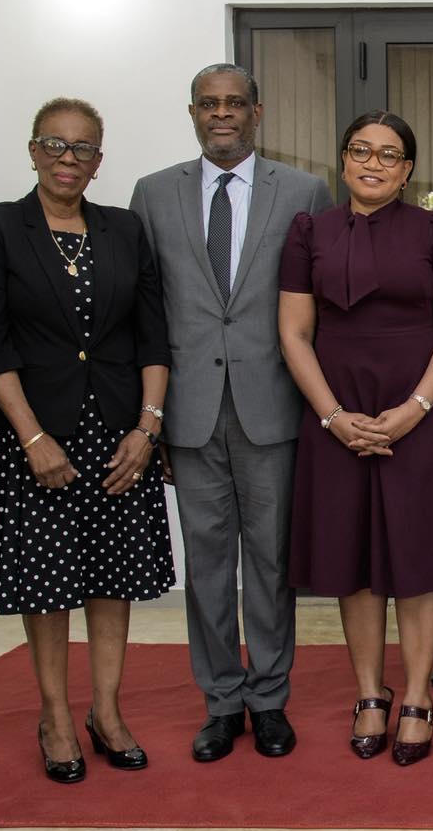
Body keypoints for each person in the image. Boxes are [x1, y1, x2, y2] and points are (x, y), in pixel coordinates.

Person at [0, 97, 175, 783]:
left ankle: (106, 712)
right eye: (54, 144)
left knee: (111, 582)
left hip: (118, 436)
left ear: (99, 162)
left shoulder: (123, 230)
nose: (67, 158)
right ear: (32, 151)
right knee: (47, 587)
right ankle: (55, 716)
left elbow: (153, 337)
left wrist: (148, 426)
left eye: (83, 148)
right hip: (36, 439)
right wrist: (32, 437)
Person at [130, 63, 331, 764]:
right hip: (188, 413)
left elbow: (317, 308)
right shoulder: (153, 195)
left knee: (272, 564)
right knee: (208, 564)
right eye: (209, 105)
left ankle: (269, 699)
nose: (223, 115)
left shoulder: (303, 192)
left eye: (235, 104)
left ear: (257, 111)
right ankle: (221, 702)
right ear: (192, 113)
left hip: (272, 409)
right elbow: (144, 311)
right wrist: (147, 415)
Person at [279, 111, 433, 767]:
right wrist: (334, 416)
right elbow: (292, 333)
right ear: (342, 161)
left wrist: (415, 408)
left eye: (389, 155)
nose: (373, 163)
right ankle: (369, 692)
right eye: (361, 151)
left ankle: (419, 695)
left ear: (407, 170)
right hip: (336, 416)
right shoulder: (309, 230)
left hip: (422, 413)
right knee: (353, 565)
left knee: (419, 563)